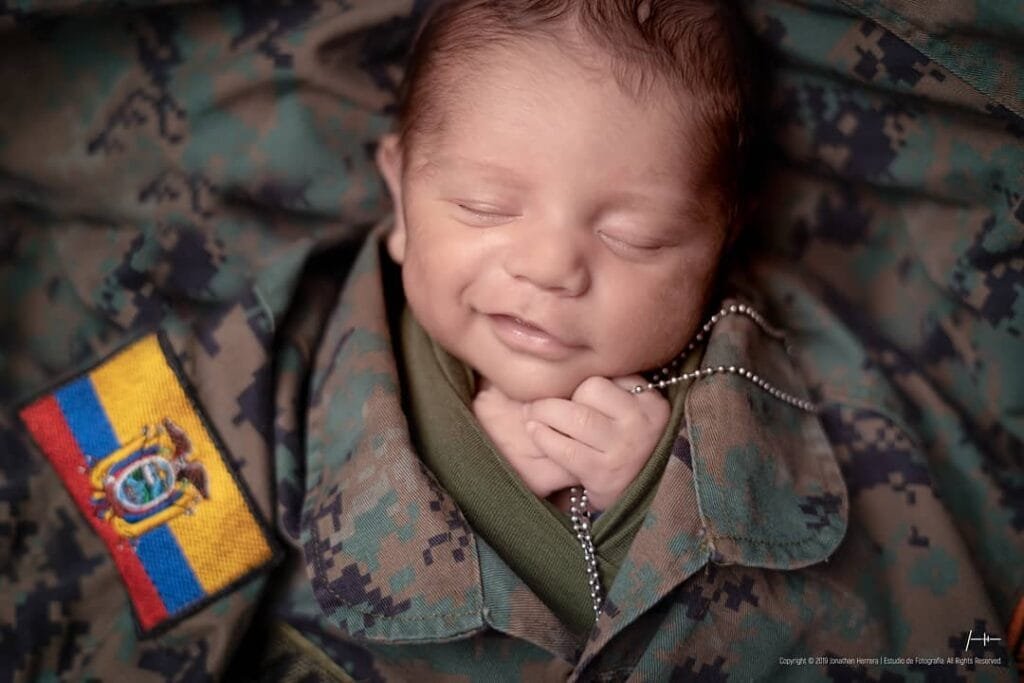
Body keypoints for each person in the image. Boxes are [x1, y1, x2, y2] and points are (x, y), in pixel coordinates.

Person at [2, 0, 1021, 680]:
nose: (549, 266)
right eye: (485, 205)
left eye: (634, 235)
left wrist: (666, 498)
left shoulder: (800, 397)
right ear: (399, 196)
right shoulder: (258, 366)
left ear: (719, 241)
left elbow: (901, 618)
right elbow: (88, 596)